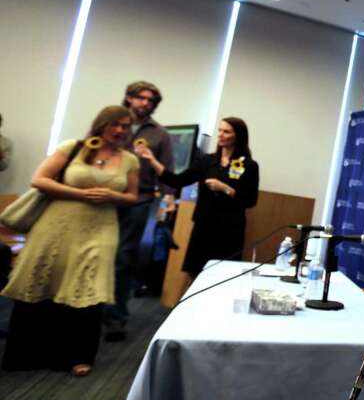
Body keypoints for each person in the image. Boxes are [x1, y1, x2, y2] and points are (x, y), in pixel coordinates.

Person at [1, 106, 139, 376]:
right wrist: (81, 194)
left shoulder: (129, 160)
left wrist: (113, 197)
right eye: (116, 125)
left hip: (101, 228)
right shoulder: (72, 148)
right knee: (44, 281)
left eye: (126, 126)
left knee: (90, 286)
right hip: (56, 225)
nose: (121, 130)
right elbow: (38, 180)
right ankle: (28, 354)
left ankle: (78, 356)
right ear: (102, 124)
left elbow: (133, 196)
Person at [135, 117, 259, 280]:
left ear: (238, 136)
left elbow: (250, 201)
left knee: (221, 277)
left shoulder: (249, 165)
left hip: (229, 231)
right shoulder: (207, 161)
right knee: (195, 274)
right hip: (204, 226)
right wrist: (151, 159)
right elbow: (176, 180)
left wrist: (226, 189)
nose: (220, 134)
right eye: (220, 130)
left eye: (226, 131)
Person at [104, 81, 175, 341]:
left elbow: (166, 170)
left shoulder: (160, 134)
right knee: (97, 254)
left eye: (151, 100)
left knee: (123, 259)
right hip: (103, 199)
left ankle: (116, 317)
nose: (145, 103)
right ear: (129, 98)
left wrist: (169, 198)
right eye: (141, 98)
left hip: (139, 201)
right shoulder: (111, 123)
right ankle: (89, 310)